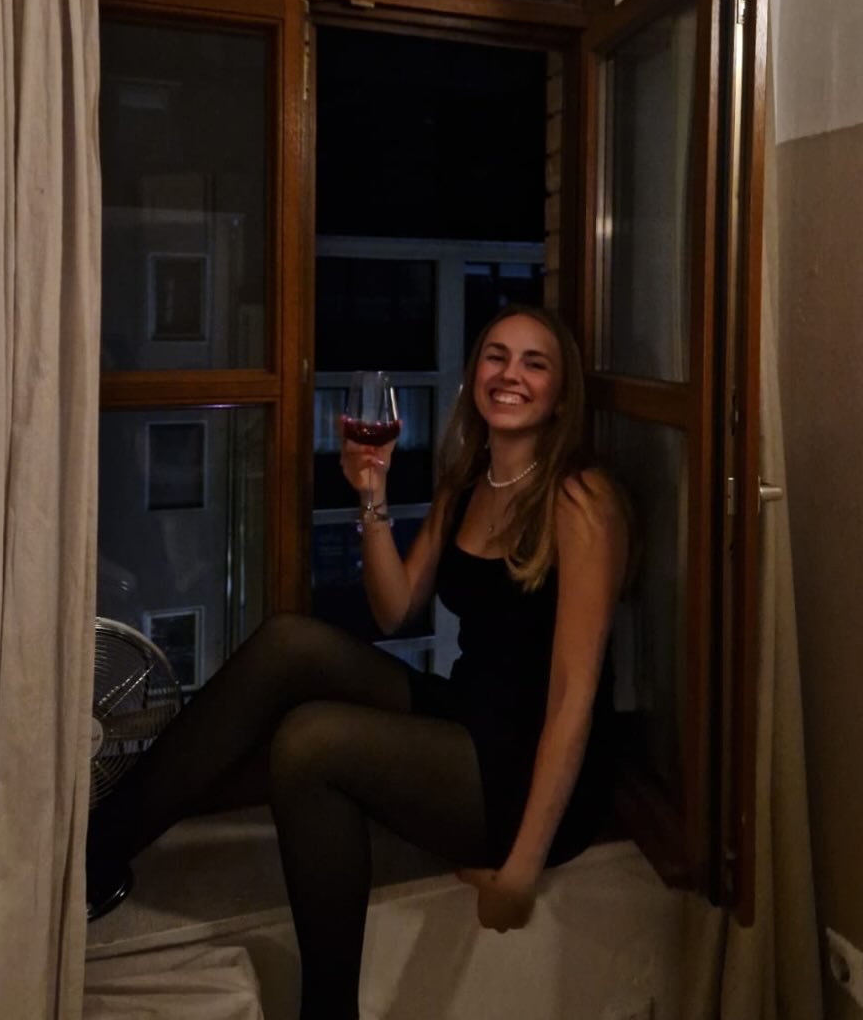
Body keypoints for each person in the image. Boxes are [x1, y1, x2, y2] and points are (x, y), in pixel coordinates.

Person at [86, 304, 630, 1020]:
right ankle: (97, 852)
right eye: (496, 356)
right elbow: (393, 609)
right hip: (469, 713)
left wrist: (523, 867)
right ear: (474, 375)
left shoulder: (582, 502)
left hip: (526, 768)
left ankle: (329, 1011)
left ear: (561, 395)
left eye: (536, 363)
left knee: (309, 743)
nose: (510, 375)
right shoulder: (469, 481)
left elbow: (574, 692)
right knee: (289, 641)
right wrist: (372, 496)